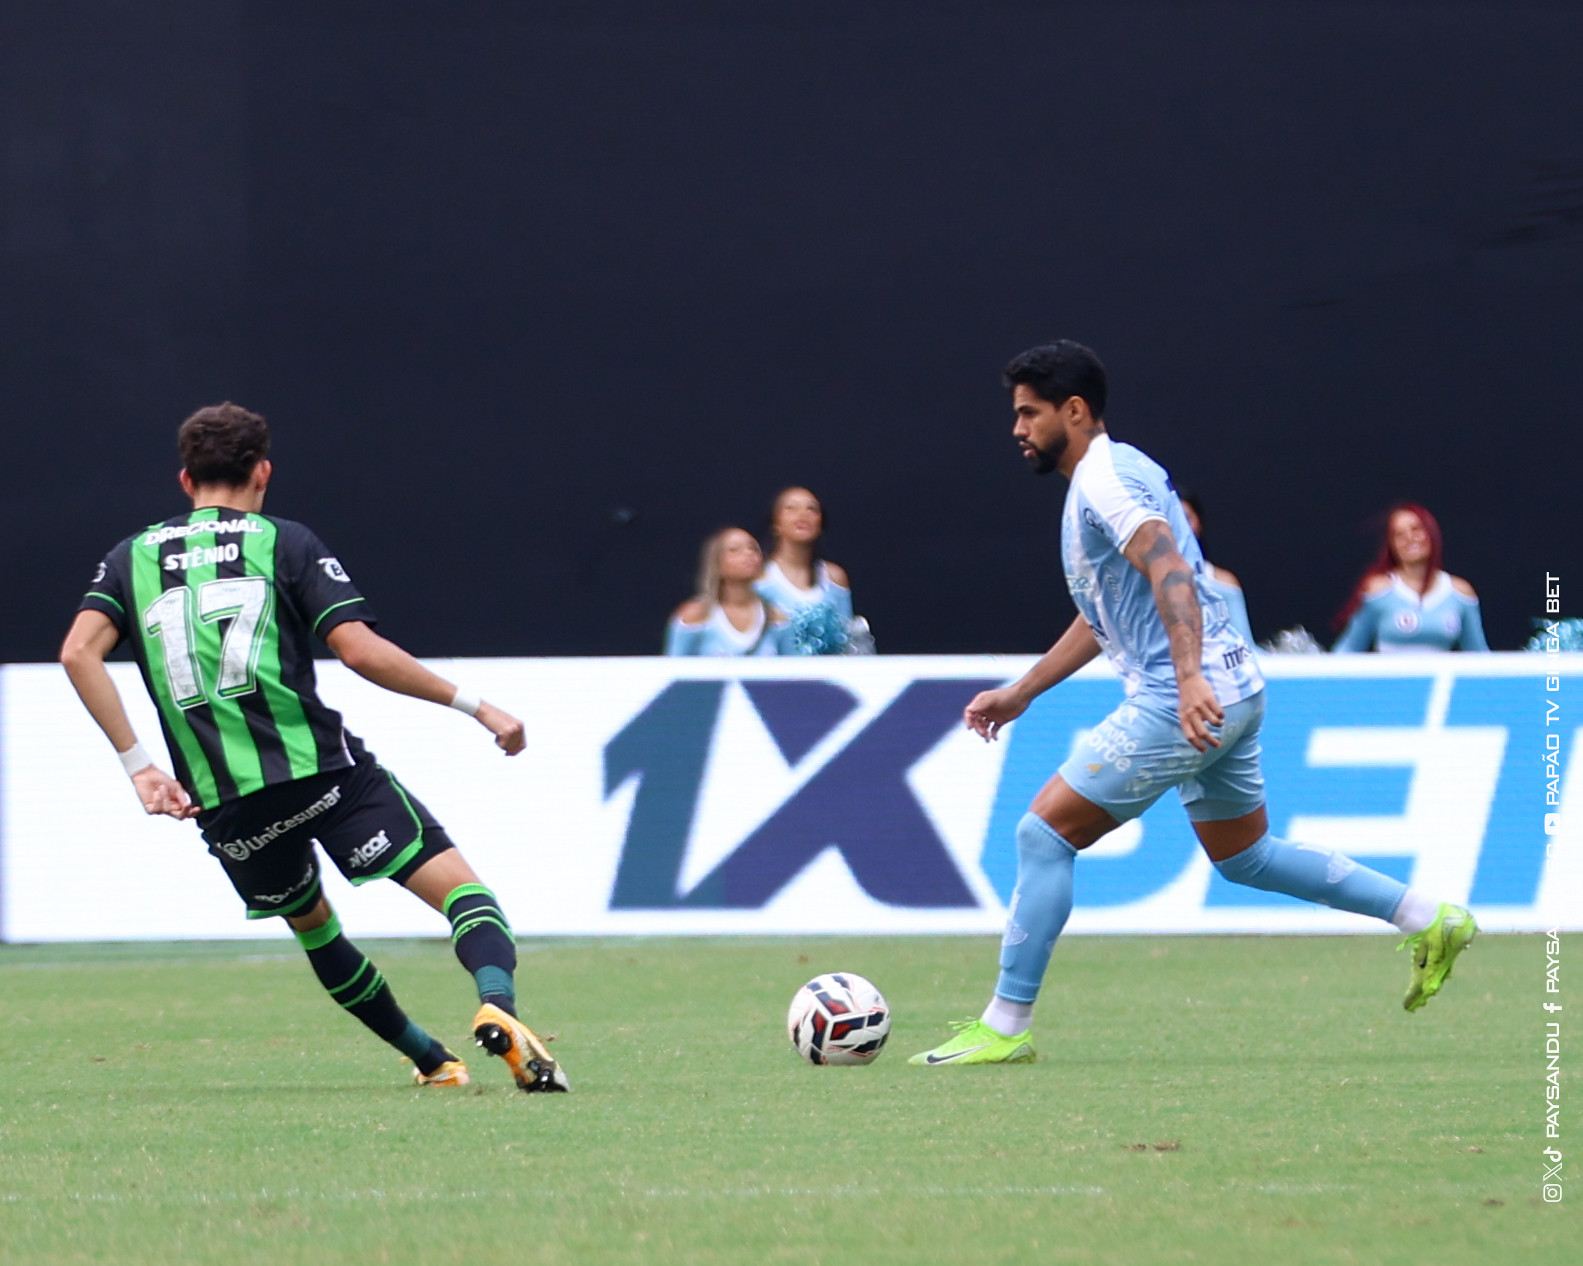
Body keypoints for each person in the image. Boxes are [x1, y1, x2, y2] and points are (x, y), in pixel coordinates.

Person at [910, 342, 1476, 1068]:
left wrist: (1183, 680)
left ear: (1073, 411)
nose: (1016, 428)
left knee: (1041, 836)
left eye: (1028, 412)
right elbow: (1104, 613)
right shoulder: (1124, 471)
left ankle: (1005, 1022)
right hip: (1234, 687)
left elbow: (1170, 568)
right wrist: (1023, 691)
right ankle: (1428, 918)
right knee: (1246, 857)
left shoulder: (1105, 482)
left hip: (1184, 696)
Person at [60, 403, 568, 1093]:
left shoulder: (129, 558)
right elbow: (357, 651)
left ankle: (432, 1060)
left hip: (228, 805)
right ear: (262, 471)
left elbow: (77, 654)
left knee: (316, 928)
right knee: (462, 893)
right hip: (324, 776)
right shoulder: (285, 541)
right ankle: (498, 1007)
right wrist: (474, 705)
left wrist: (139, 766)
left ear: (185, 480)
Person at [1332, 503, 1488, 652]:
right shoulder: (1379, 590)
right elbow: (1349, 648)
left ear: (1431, 534)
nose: (1409, 538)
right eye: (1399, 534)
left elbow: (1479, 657)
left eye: (1416, 529)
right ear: (1392, 545)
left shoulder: (1460, 593)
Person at [756, 486, 857, 654]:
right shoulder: (758, 577)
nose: (803, 515)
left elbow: (847, 643)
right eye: (791, 508)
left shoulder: (834, 577)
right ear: (775, 524)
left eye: (811, 508)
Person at [665, 527, 792, 656]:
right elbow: (673, 668)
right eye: (734, 550)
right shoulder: (696, 616)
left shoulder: (776, 618)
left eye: (753, 548)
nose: (748, 554)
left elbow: (792, 670)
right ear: (717, 563)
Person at [1180, 492, 1255, 648]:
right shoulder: (1142, 583)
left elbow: (1245, 644)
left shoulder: (1224, 582)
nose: (1180, 527)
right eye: (1172, 519)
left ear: (1199, 522)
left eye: (1186, 518)